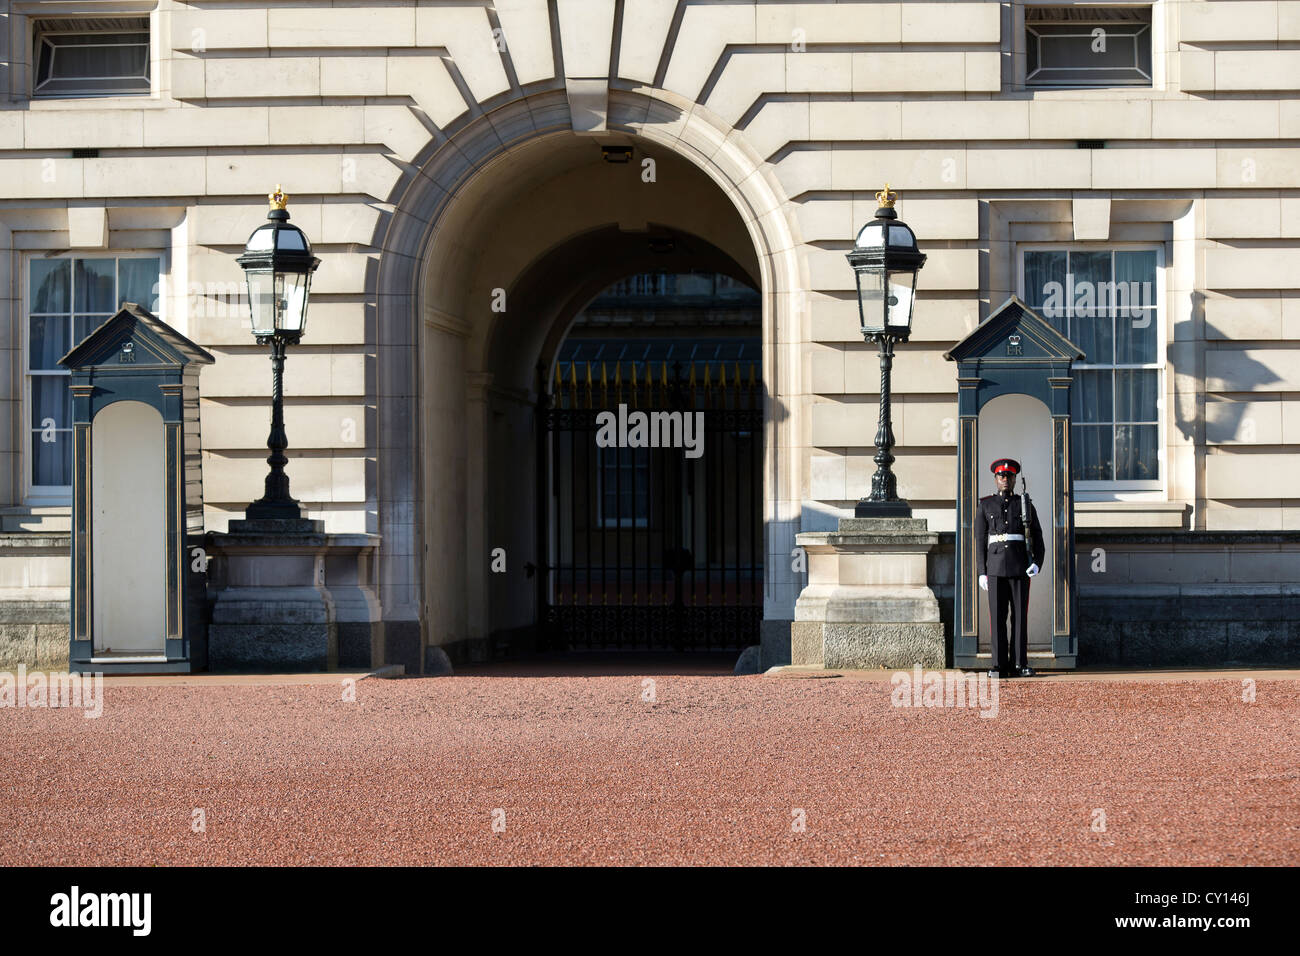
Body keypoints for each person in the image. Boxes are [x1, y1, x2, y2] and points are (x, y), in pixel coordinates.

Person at [974, 458, 1045, 678]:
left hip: (1019, 567)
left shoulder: (1024, 504)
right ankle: (998, 664)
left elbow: (1037, 536)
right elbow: (979, 541)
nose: (1005, 480)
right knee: (997, 618)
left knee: (1019, 619)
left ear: (1015, 479)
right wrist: (981, 572)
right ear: (995, 479)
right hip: (995, 568)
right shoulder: (985, 505)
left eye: (1009, 476)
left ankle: (1019, 663)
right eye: (1001, 476)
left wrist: (1036, 563)